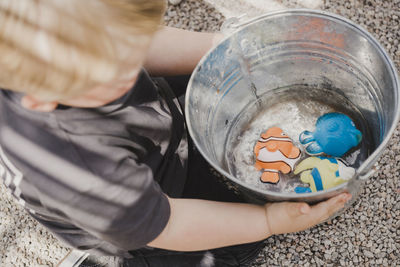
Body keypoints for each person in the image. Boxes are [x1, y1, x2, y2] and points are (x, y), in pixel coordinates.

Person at [0, 1, 352, 266]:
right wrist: (268, 221)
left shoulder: (55, 60)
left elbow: (146, 47)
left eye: (132, 44)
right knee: (234, 244)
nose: (133, 59)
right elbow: (169, 225)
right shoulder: (84, 172)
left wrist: (226, 47)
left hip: (143, 133)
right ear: (40, 95)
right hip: (142, 219)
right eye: (119, 62)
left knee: (212, 78)